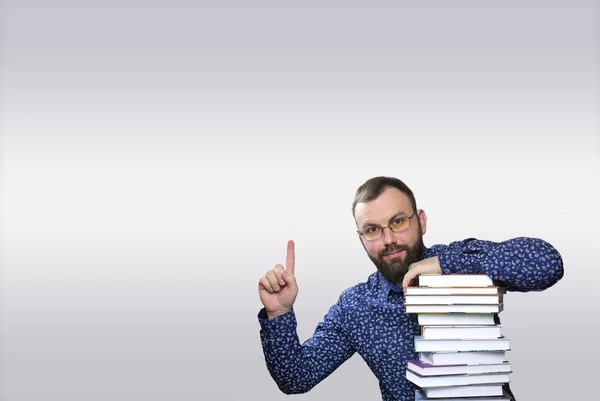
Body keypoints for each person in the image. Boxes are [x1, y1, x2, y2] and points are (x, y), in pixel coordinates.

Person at [257, 176, 564, 401]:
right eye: (372, 229)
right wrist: (279, 314)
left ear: (421, 221)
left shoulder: (461, 259)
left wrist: (447, 264)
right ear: (361, 238)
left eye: (399, 221)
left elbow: (548, 264)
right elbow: (296, 378)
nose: (388, 238)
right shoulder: (355, 307)